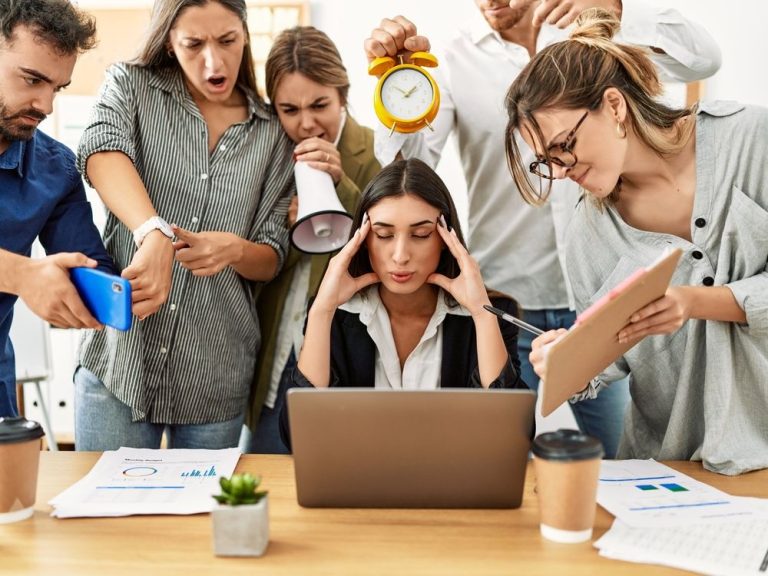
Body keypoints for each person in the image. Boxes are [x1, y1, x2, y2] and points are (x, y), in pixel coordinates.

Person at [364, 1, 722, 457]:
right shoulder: (452, 57)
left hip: (602, 300)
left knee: (619, 462)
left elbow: (703, 59)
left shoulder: (591, 32)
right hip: (510, 303)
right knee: (498, 458)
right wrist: (395, 87)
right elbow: (408, 170)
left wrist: (615, 8)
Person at [506, 9, 768, 475]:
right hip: (670, 474)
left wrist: (694, 300)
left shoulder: (752, 141)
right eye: (547, 161)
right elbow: (610, 362)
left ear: (613, 106)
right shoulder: (588, 233)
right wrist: (566, 356)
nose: (562, 173)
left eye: (564, 146)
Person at [74, 0, 295, 450]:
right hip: (120, 365)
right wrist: (150, 230)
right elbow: (99, 150)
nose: (214, 61)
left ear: (246, 35)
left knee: (204, 521)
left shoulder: (272, 131)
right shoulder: (130, 85)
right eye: (193, 44)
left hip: (217, 375)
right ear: (170, 44)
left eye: (228, 41)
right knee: (107, 520)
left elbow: (273, 254)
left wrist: (233, 250)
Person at [280, 159, 526, 449]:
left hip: (452, 487)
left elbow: (514, 436)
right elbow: (298, 437)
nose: (400, 255)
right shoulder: (336, 314)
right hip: (359, 485)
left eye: (421, 234)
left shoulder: (488, 316)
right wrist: (322, 311)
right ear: (363, 239)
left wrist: (482, 316)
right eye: (383, 234)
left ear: (447, 240)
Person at [245, 26, 381, 453]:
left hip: (347, 355)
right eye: (289, 109)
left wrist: (339, 188)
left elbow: (387, 252)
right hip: (277, 350)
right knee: (268, 477)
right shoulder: (268, 156)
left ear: (343, 94)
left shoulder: (377, 153)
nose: (306, 123)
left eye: (320, 104)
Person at [0, 0, 114, 417]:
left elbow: (88, 267)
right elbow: (30, 277)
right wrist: (24, 275)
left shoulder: (55, 167)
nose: (46, 105)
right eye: (32, 79)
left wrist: (120, 293)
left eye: (56, 88)